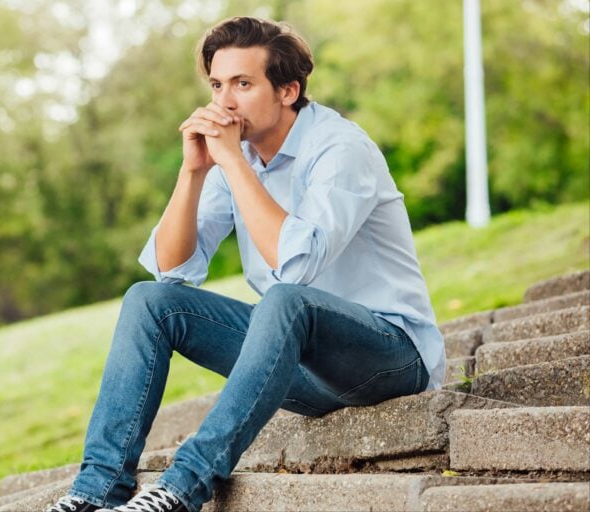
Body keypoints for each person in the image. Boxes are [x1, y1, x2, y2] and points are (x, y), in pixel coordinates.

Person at [46, 16, 445, 512]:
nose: (224, 102)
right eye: (217, 85)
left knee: (284, 299)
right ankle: (95, 491)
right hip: (302, 370)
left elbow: (295, 266)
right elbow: (172, 272)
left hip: (391, 357)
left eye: (242, 84)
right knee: (149, 302)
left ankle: (179, 488)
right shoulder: (238, 156)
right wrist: (193, 172)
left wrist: (232, 163)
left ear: (287, 90)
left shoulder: (340, 149)